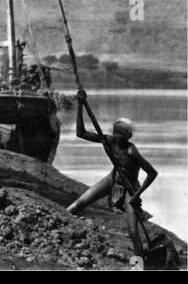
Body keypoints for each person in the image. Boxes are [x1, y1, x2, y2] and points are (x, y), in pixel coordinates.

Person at [67, 90, 157, 248]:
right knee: (76, 206)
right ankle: (63, 235)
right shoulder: (109, 141)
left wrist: (137, 195)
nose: (116, 137)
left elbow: (152, 173)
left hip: (130, 188)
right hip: (111, 179)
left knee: (133, 230)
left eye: (120, 135)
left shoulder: (131, 152)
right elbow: (80, 133)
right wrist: (80, 104)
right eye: (115, 134)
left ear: (127, 137)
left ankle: (140, 263)